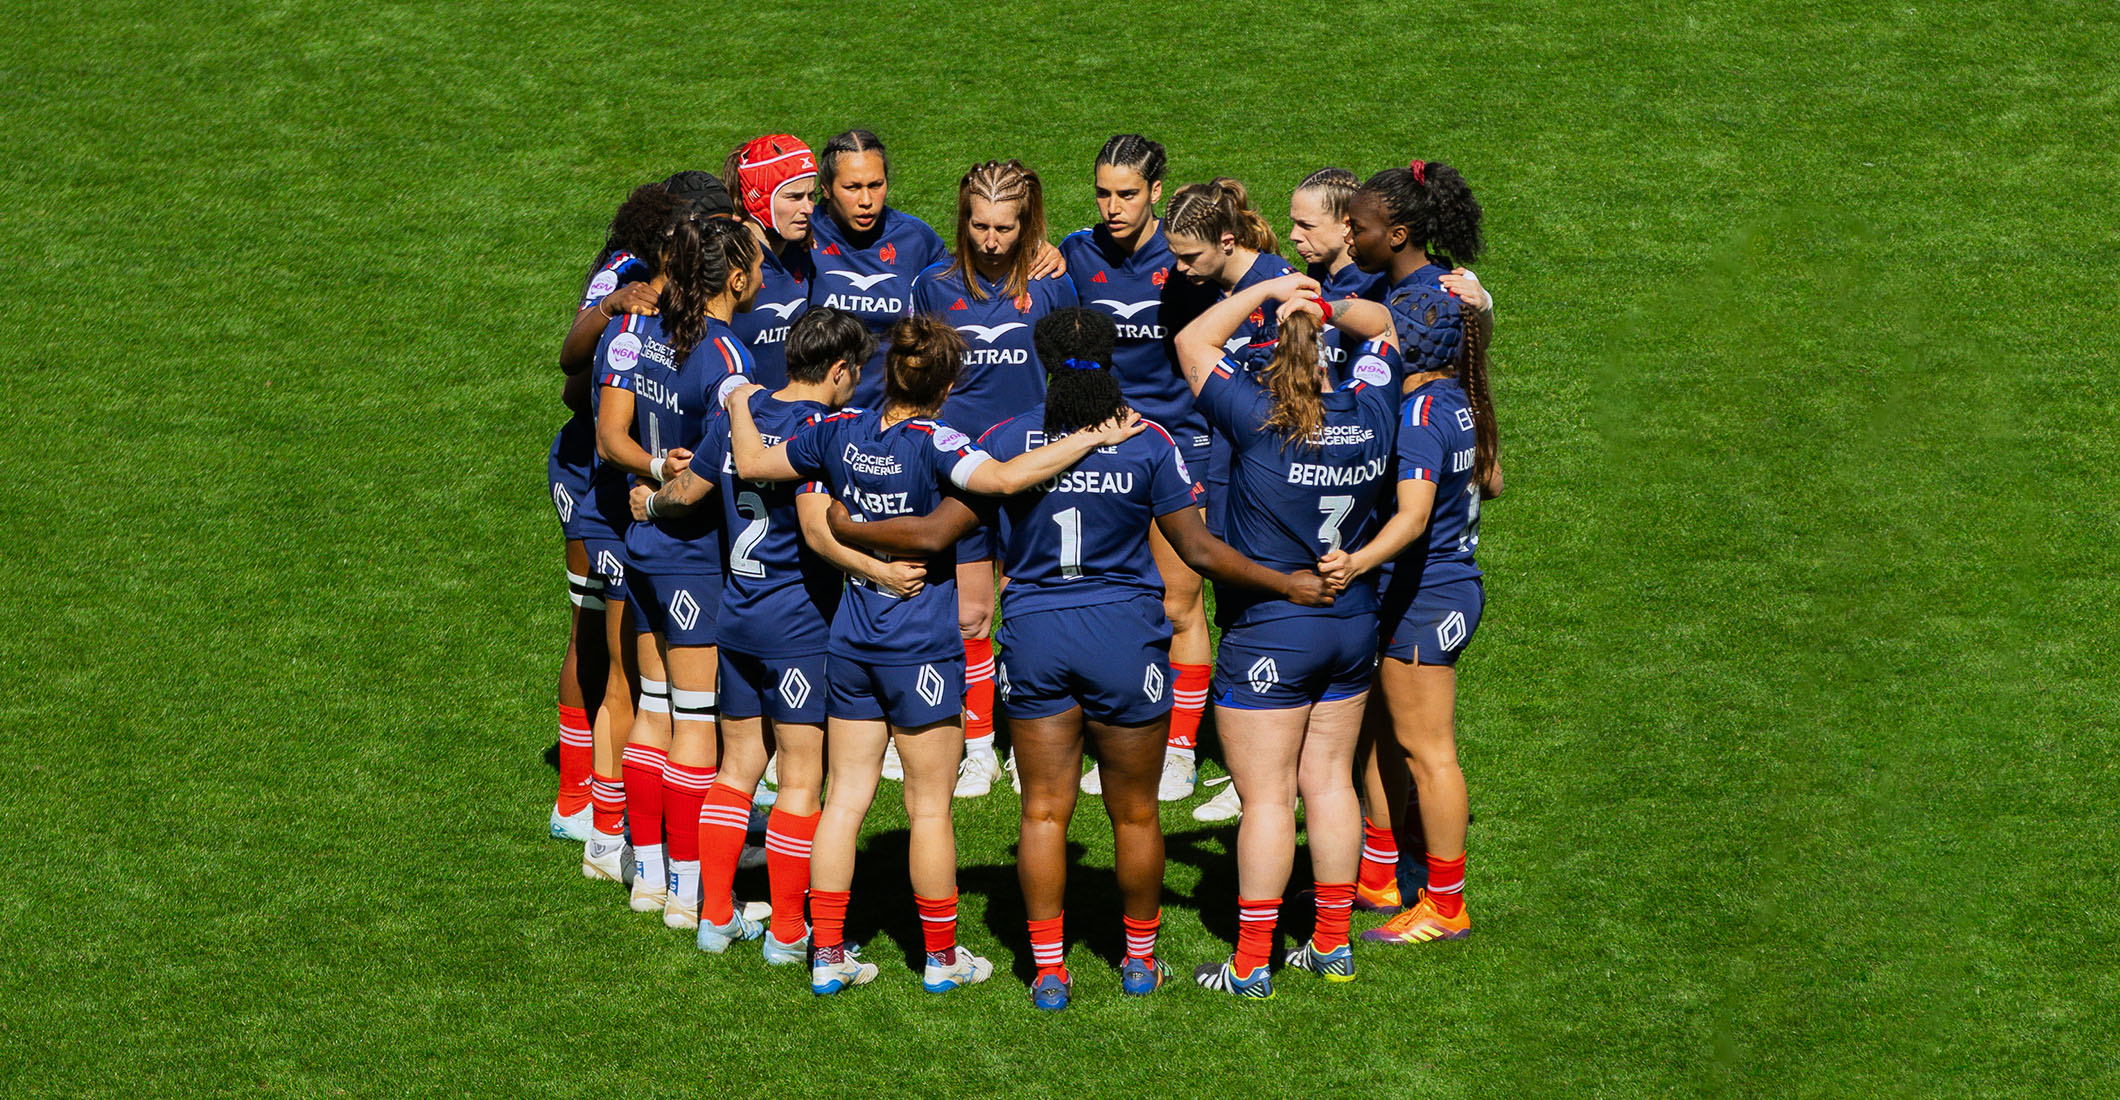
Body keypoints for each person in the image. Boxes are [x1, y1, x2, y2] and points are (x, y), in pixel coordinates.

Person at [823, 308, 1332, 1011]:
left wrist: (850, 527)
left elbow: (937, 532)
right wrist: (1287, 583)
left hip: (1036, 639)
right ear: (1112, 359)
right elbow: (1200, 552)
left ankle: (1049, 972)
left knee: (1041, 812)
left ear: (1042, 361)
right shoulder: (1148, 439)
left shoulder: (1006, 442)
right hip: (1126, 641)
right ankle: (1140, 961)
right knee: (1137, 814)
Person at [724, 315, 1144, 996]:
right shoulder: (938, 442)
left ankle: (826, 954)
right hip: (918, 646)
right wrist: (1092, 436)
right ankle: (942, 959)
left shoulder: (836, 430)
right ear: (947, 386)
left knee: (844, 800)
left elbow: (752, 464)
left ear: (887, 373)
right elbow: (1004, 480)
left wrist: (740, 402)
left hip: (850, 639)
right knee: (928, 809)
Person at [633, 306, 922, 960]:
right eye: (857, 373)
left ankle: (715, 917)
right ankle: (789, 933)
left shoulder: (738, 413)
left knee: (736, 768)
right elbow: (822, 532)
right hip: (799, 626)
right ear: (840, 370)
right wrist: (882, 570)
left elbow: (688, 492)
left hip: (734, 617)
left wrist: (649, 501)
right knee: (799, 779)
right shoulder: (825, 434)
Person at [1172, 274, 1402, 998]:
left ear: (1275, 357)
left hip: (1272, 630)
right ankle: (1331, 945)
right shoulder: (1374, 406)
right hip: (1353, 622)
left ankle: (1250, 965)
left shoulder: (1256, 414)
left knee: (1269, 801)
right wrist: (1325, 303)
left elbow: (1193, 341)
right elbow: (1385, 327)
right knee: (1331, 783)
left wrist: (1271, 286)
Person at [595, 216, 761, 934]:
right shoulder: (725, 355)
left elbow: (611, 435)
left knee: (653, 710)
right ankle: (690, 894)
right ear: (735, 279)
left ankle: (649, 876)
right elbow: (734, 461)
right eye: (756, 265)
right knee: (694, 722)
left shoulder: (641, 332)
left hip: (641, 546)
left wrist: (650, 475)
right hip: (693, 555)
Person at [911, 158, 1078, 796]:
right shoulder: (933, 286)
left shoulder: (1053, 282)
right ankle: (979, 746)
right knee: (973, 614)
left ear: (1027, 223)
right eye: (979, 226)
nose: (990, 240)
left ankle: (1040, 736)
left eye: (1005, 228)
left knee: (1036, 609)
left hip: (1034, 466)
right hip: (960, 470)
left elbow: (1073, 374)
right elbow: (919, 379)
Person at [1059, 135, 1214, 802]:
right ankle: (1125, 738)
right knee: (1115, 599)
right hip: (1103, 445)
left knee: (1178, 602)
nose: (1113, 207)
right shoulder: (1074, 253)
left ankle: (1178, 751)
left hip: (1180, 444)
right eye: (1103, 193)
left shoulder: (1185, 257)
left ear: (1156, 192)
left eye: (1127, 194)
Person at [557, 182, 692, 882]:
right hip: (603, 488)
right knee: (606, 647)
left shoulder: (690, 310)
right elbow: (571, 381)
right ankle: (585, 806)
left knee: (641, 667)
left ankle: (622, 817)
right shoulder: (626, 286)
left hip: (635, 492)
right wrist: (609, 309)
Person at [721, 135, 819, 388]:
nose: (809, 208)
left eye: (811, 195)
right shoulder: (722, 261)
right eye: (794, 197)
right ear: (758, 198)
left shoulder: (804, 248)